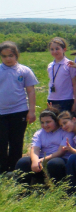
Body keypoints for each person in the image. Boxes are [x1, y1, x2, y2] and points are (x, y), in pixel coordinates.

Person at [0, 41, 38, 173]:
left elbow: (31, 91)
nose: (8, 59)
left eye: (10, 55)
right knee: (2, 142)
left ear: (16, 55)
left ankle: (15, 169)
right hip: (1, 113)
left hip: (19, 111)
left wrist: (32, 111)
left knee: (16, 141)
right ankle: (2, 170)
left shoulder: (24, 70)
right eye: (4, 56)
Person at [15, 108, 74, 185]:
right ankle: (22, 189)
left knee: (54, 163)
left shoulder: (66, 132)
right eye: (42, 122)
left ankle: (58, 188)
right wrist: (35, 161)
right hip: (41, 160)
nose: (45, 125)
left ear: (56, 121)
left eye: (48, 122)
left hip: (59, 159)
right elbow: (35, 149)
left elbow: (61, 152)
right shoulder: (39, 133)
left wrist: (43, 160)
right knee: (23, 162)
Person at [46, 37, 76, 113]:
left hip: (66, 99)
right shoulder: (50, 66)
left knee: (65, 122)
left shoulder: (69, 64)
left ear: (64, 49)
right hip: (52, 99)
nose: (55, 51)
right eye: (52, 49)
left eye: (57, 49)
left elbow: (75, 84)